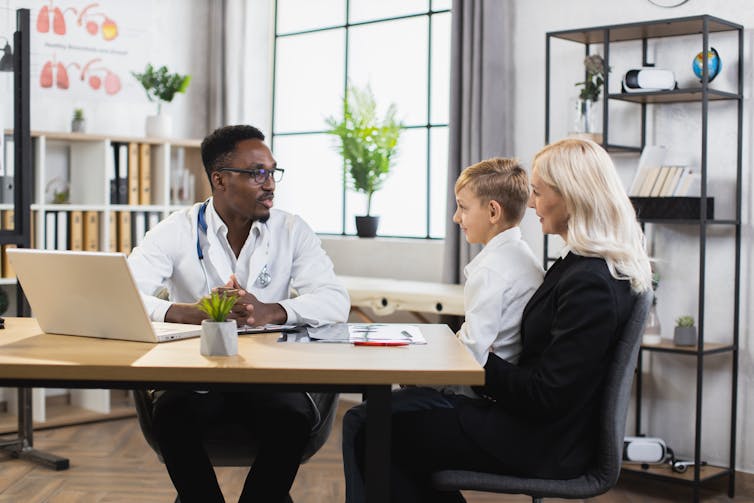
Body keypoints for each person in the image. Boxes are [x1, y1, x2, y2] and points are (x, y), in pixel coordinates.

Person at [342, 138, 652, 502]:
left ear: (572, 195)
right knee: (382, 431)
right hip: (529, 427)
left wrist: (475, 358)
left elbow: (545, 396)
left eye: (538, 192)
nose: (531, 203)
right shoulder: (579, 267)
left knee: (370, 428)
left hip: (540, 442)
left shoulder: (590, 282)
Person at [128, 124, 350, 503]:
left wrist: (272, 311)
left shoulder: (291, 230)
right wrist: (189, 312)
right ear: (220, 179)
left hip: (269, 375)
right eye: (256, 173)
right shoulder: (176, 230)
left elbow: (334, 300)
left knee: (292, 419)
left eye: (272, 172)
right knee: (172, 417)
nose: (270, 184)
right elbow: (127, 295)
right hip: (196, 372)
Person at [442, 157, 543, 397]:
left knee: (363, 416)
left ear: (493, 211)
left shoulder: (491, 271)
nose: (456, 217)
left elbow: (470, 354)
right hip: (504, 388)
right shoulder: (523, 256)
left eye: (463, 207)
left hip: (483, 397)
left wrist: (416, 380)